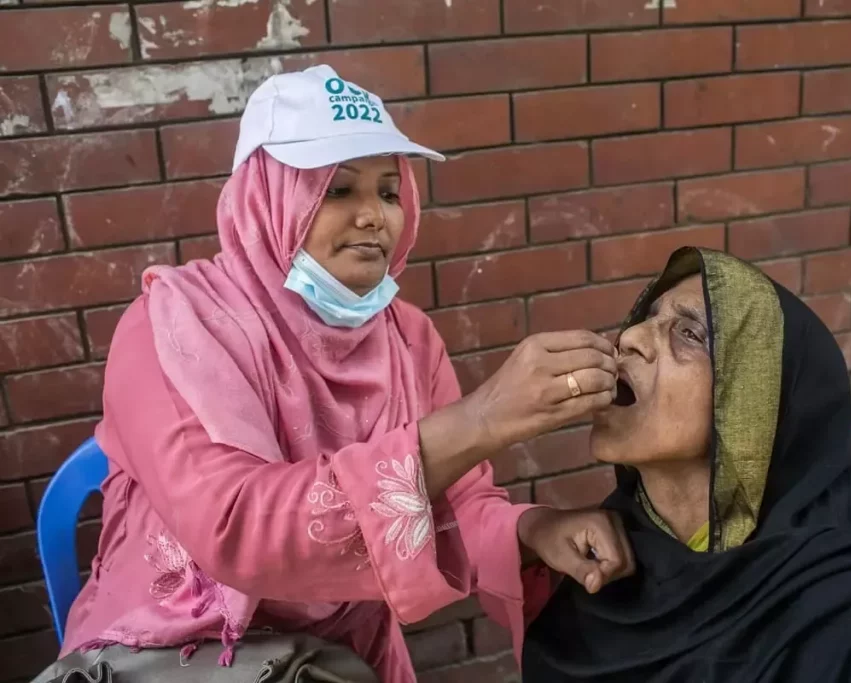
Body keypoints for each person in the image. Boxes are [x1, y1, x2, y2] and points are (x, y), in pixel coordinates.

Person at [33, 65, 635, 683]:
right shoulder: (174, 325)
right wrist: (482, 419)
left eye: (389, 191)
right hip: (171, 651)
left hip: (334, 658)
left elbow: (455, 503)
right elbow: (232, 526)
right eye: (339, 191)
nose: (376, 216)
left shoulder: (407, 338)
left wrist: (533, 529)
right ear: (267, 197)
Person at [522, 246, 851, 682]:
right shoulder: (611, 567)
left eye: (690, 334)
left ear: (753, 408)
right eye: (647, 318)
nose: (630, 338)